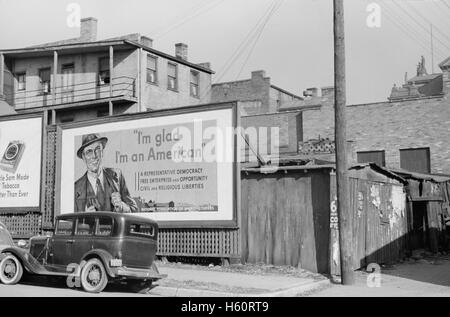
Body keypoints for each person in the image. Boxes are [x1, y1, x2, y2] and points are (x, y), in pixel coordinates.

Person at [74, 133, 137, 213]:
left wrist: (121, 206)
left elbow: (135, 210)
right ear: (83, 157)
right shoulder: (76, 188)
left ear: (102, 152)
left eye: (97, 149)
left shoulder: (117, 175)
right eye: (89, 152)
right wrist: (85, 217)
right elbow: (70, 221)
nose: (94, 156)